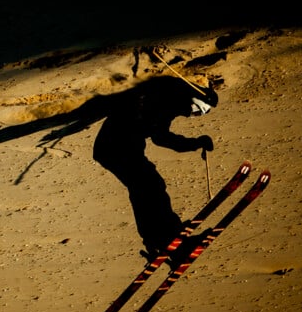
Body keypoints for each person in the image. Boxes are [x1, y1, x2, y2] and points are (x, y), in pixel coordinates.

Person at [91, 75, 218, 262]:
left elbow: (160, 134)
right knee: (150, 186)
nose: (193, 115)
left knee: (145, 188)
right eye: (198, 112)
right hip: (118, 146)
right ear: (196, 101)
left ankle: (161, 240)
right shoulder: (169, 100)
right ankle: (167, 239)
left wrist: (196, 143)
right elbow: (161, 137)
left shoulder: (169, 99)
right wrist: (195, 143)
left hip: (117, 147)